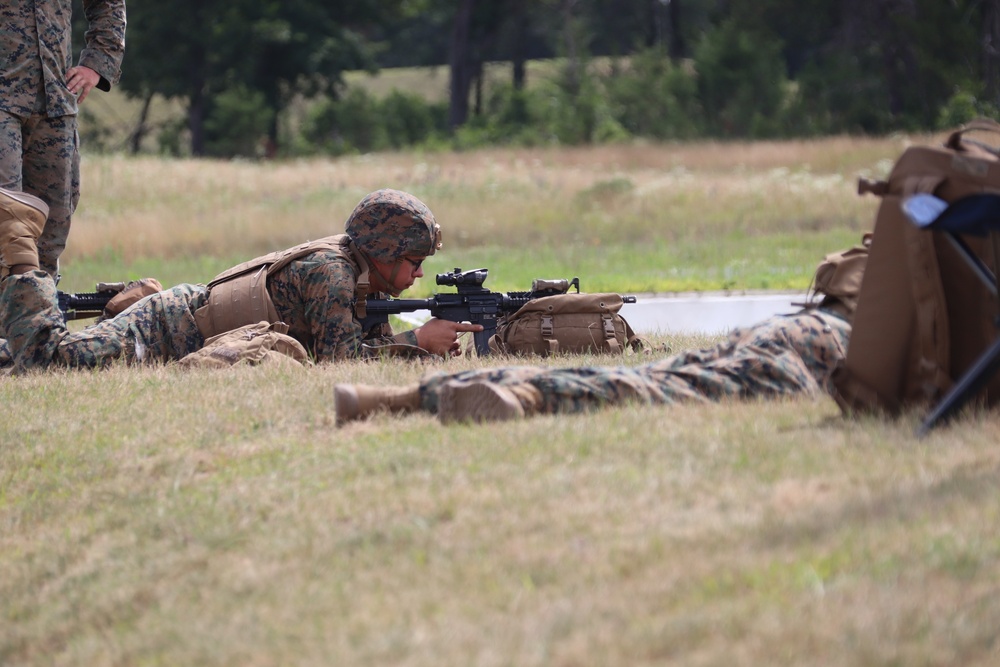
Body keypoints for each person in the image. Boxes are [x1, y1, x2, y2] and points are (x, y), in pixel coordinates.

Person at [334, 238, 870, 425]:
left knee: (667, 374)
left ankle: (396, 398)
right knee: (652, 386)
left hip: (776, 337)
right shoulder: (868, 332)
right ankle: (518, 395)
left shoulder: (843, 316)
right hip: (797, 355)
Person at [0, 186, 480, 371]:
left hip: (190, 325)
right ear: (383, 252)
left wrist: (416, 345)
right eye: (413, 260)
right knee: (48, 360)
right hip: (170, 330)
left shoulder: (360, 273)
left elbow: (363, 346)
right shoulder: (332, 276)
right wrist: (416, 339)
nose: (419, 272)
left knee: (18, 363)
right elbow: (342, 363)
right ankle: (19, 243)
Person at [1, 0, 127, 278]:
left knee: (51, 227)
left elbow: (108, 4)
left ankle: (36, 315)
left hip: (54, 102)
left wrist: (97, 62)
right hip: (3, 102)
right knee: (6, 220)